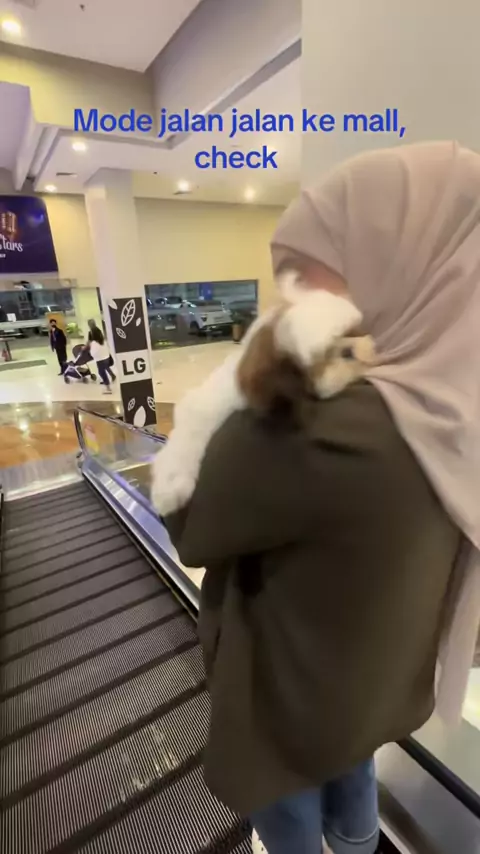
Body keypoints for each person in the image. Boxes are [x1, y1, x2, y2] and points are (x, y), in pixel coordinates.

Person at [153, 141, 480, 854]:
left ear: (392, 257)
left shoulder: (329, 422)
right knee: (355, 783)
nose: (291, 299)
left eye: (307, 274)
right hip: (372, 684)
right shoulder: (455, 397)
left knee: (291, 821)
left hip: (290, 701)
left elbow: (190, 523)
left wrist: (231, 396)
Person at [87, 318, 116, 384]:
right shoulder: (98, 330)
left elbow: (89, 342)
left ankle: (106, 382)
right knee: (105, 366)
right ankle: (112, 375)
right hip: (104, 352)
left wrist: (85, 348)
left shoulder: (91, 333)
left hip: (98, 354)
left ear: (89, 325)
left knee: (101, 370)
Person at [88, 326, 114, 394]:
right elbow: (108, 348)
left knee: (101, 372)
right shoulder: (103, 340)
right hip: (107, 358)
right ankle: (108, 381)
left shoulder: (94, 343)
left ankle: (108, 388)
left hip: (100, 360)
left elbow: (93, 353)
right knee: (104, 370)